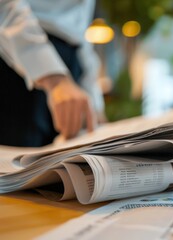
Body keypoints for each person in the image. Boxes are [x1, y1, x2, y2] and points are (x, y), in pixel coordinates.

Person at [0, 0, 105, 147]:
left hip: (71, 66)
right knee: (21, 163)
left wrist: (94, 100)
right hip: (21, 58)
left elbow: (82, 29)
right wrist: (55, 79)